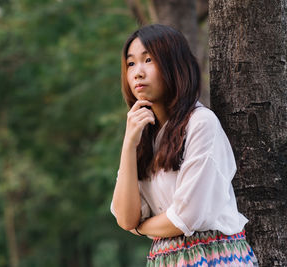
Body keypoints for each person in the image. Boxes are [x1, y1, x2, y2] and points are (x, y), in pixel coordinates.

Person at [110, 24, 259, 266]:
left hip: (213, 257)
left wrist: (140, 228)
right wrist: (128, 146)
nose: (138, 72)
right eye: (131, 63)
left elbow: (184, 218)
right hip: (165, 259)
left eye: (148, 60)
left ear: (174, 64)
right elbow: (126, 217)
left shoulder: (201, 124)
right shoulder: (143, 136)